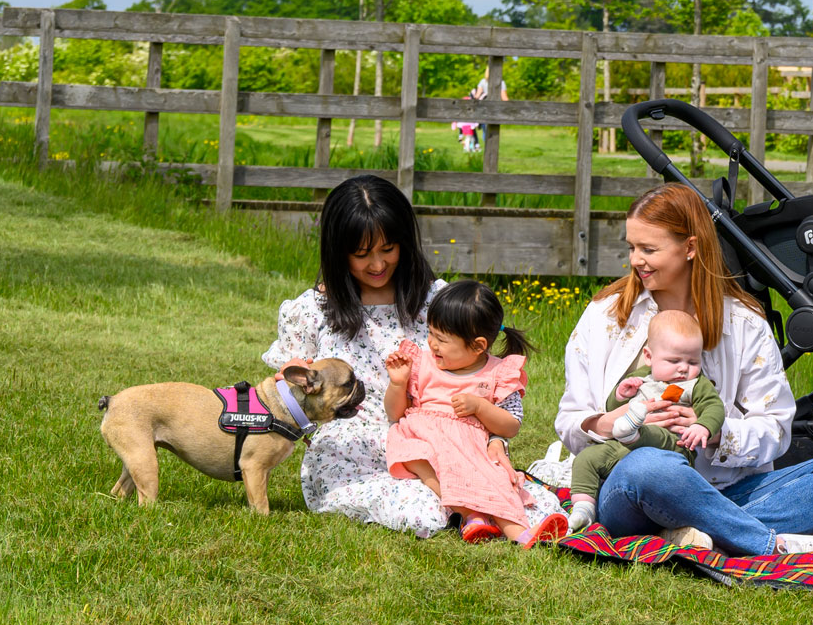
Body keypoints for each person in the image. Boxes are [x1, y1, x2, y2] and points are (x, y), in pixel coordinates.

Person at [551, 184, 813, 556]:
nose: (635, 260)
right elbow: (569, 418)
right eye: (632, 247)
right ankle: (768, 542)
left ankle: (693, 531)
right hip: (630, 485)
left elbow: (775, 428)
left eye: (649, 249)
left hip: (723, 489)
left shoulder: (743, 323)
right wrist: (610, 423)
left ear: (690, 247)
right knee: (652, 466)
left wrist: (716, 432)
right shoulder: (607, 315)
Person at [262, 174, 560, 537]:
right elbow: (291, 380)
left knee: (529, 503)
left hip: (440, 439)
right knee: (419, 510)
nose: (377, 264)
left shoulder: (436, 301)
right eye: (361, 254)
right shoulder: (314, 310)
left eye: (388, 249)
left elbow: (485, 379)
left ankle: (469, 505)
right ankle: (462, 507)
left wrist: (496, 439)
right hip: (356, 446)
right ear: (338, 252)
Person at [384, 281, 563, 546]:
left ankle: (521, 533)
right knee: (420, 457)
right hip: (426, 439)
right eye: (430, 333)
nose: (432, 343)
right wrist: (398, 383)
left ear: (478, 346)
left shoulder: (498, 373)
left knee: (496, 479)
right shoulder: (422, 363)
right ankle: (470, 514)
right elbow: (395, 414)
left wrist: (480, 407)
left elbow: (510, 426)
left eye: (441, 339)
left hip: (472, 446)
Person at [563, 308, 723, 521]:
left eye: (692, 362)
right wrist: (621, 394)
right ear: (649, 357)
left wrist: (703, 426)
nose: (683, 369)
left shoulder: (696, 384)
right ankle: (583, 508)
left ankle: (632, 433)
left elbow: (714, 407)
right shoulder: (642, 378)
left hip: (670, 446)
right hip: (622, 446)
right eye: (674, 361)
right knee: (586, 459)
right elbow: (611, 408)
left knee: (654, 435)